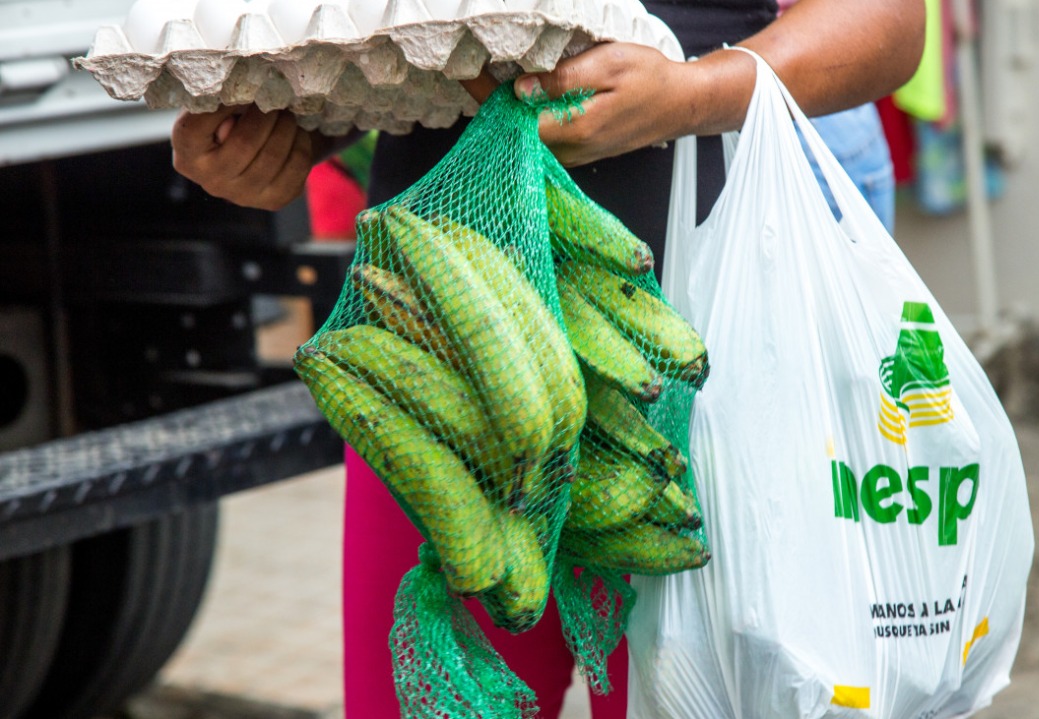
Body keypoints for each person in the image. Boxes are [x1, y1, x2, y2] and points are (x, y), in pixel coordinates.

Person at [171, 1, 923, 716]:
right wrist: (301, 124)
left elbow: (890, 23)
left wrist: (693, 93)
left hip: (700, 343)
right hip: (440, 338)